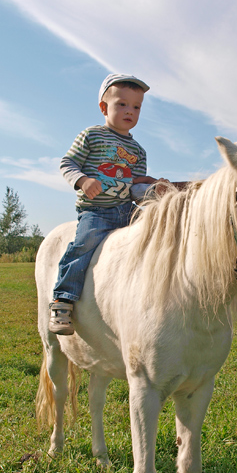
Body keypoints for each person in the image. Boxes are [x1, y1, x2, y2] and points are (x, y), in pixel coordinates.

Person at [49, 73, 163, 335]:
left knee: (155, 234)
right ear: (104, 107)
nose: (129, 111)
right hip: (97, 211)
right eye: (122, 104)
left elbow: (134, 187)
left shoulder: (139, 151)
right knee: (84, 244)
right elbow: (67, 163)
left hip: (127, 210)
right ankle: (63, 301)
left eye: (136, 107)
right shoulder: (91, 136)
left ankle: (147, 298)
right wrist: (82, 180)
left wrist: (152, 188)